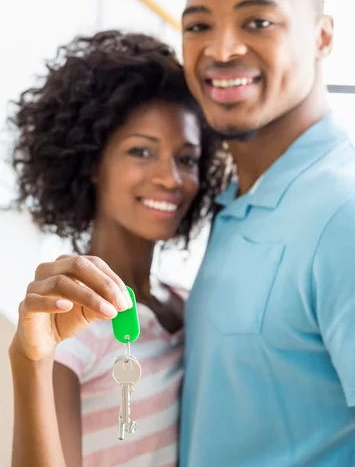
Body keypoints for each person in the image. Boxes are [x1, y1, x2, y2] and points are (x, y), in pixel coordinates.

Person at [180, 0, 355, 466]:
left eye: (257, 22)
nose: (222, 49)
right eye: (198, 26)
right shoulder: (237, 200)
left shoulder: (354, 216)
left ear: (323, 36)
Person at [8, 30, 228, 467]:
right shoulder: (70, 329)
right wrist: (31, 361)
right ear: (92, 164)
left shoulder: (186, 305)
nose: (170, 178)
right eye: (142, 151)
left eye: (186, 159)